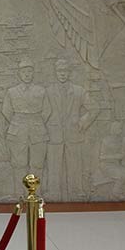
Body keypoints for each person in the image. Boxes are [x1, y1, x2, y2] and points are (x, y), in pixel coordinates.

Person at [45, 59, 98, 200]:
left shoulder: (79, 91)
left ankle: (76, 192)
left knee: (75, 165)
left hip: (74, 134)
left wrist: (83, 122)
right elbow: (42, 112)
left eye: (65, 71)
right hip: (54, 134)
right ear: (55, 72)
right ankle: (53, 193)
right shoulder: (48, 91)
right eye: (59, 71)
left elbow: (94, 108)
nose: (62, 74)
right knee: (53, 165)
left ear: (69, 73)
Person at [1, 59, 51, 192]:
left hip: (37, 130)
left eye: (29, 71)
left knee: (37, 164)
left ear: (33, 73)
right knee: (19, 164)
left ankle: (34, 194)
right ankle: (20, 193)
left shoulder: (41, 91)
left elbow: (47, 111)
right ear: (19, 73)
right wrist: (19, 121)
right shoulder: (11, 92)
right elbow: (6, 111)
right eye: (24, 72)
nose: (27, 74)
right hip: (18, 130)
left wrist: (35, 121)